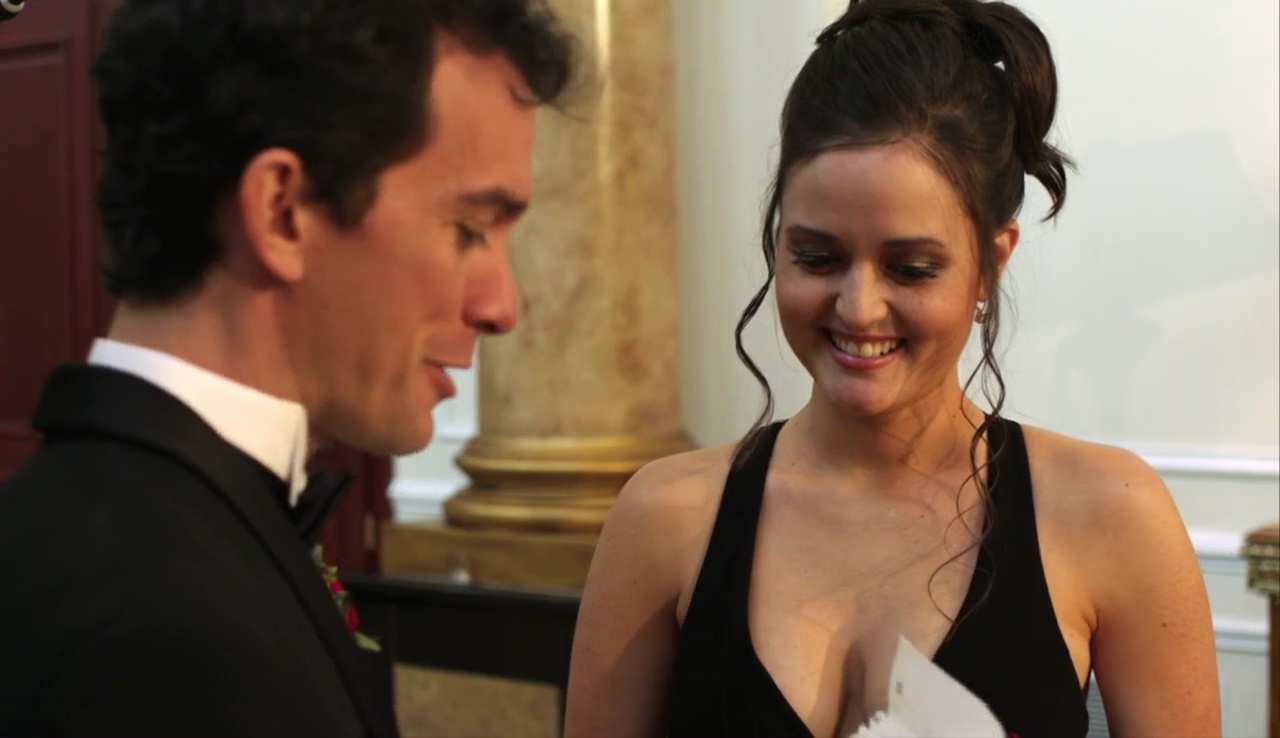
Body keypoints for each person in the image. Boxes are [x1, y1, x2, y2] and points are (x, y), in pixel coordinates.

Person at [565, 0, 1220, 736]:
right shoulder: (663, 519)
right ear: (777, 242)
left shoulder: (1111, 515)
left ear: (992, 262)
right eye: (817, 257)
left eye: (911, 268)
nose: (859, 307)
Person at [0, 1, 576, 736]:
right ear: (282, 213)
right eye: (469, 228)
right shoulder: (147, 635)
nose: (503, 307)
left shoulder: (141, 524)